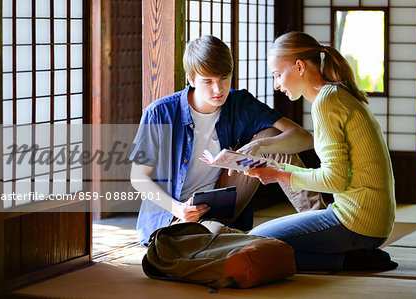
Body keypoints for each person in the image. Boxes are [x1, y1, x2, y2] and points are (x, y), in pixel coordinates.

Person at [128, 35, 324, 247]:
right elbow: (138, 177)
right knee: (211, 236)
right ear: (191, 79)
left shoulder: (239, 103)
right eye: (208, 81)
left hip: (223, 202)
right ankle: (232, 238)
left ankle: (321, 221)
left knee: (270, 137)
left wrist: (258, 146)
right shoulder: (160, 113)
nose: (218, 89)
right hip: (175, 217)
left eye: (224, 78)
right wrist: (177, 208)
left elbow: (304, 138)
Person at [244, 31, 397, 271]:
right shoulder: (335, 95)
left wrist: (279, 176)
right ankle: (355, 256)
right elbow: (337, 176)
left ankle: (351, 260)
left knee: (254, 243)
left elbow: (334, 180)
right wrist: (279, 169)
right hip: (370, 221)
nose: (276, 85)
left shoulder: (327, 103)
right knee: (258, 241)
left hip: (356, 223)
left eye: (277, 75)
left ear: (299, 66)